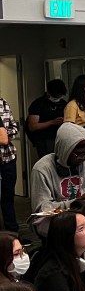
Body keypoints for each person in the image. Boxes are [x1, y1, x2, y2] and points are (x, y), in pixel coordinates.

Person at [29, 123, 85, 235]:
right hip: (54, 216)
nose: (82, 158)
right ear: (64, 150)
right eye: (78, 154)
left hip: (83, 211)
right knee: (69, 230)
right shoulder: (42, 168)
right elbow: (43, 209)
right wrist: (74, 203)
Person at [26, 79, 67, 159]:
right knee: (49, 163)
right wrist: (52, 122)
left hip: (61, 138)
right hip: (45, 140)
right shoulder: (38, 104)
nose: (58, 98)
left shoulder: (63, 104)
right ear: (48, 92)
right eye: (56, 96)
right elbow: (32, 126)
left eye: (60, 96)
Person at [0, 95, 20, 231]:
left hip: (8, 157)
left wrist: (5, 134)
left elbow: (14, 127)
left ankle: (13, 233)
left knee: (8, 196)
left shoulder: (3, 102)